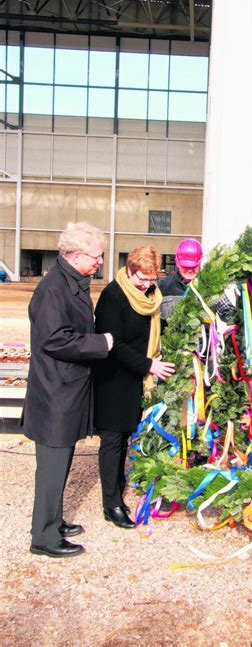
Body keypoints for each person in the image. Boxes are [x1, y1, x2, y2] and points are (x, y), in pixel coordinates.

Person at [22, 222, 113, 558]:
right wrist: (99, 342)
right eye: (96, 256)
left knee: (60, 464)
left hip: (66, 390)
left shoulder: (70, 282)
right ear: (75, 256)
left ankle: (54, 521)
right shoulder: (52, 290)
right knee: (51, 468)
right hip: (54, 394)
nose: (99, 261)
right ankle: (43, 538)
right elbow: (54, 339)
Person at [93, 246, 175, 529]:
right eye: (142, 278)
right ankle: (111, 504)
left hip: (134, 381)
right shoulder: (112, 297)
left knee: (125, 438)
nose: (148, 284)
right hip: (113, 380)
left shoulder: (150, 296)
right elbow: (114, 345)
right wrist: (149, 365)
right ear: (129, 270)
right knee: (112, 441)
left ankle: (118, 488)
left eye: (152, 279)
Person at [158, 238, 203, 325]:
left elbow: (224, 315)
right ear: (177, 263)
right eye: (185, 266)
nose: (190, 271)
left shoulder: (209, 285)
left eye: (193, 267)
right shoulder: (163, 286)